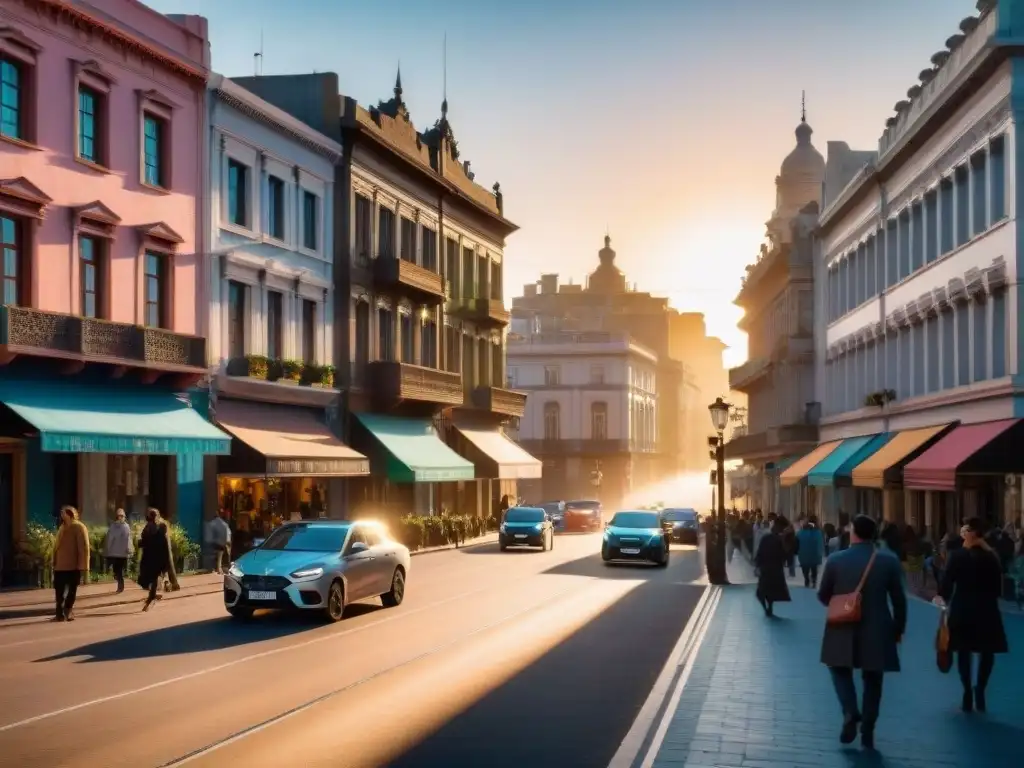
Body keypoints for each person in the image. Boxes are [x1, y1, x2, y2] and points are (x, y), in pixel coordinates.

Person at [817, 514, 905, 750]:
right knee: (874, 679)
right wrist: (898, 629)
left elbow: (823, 595)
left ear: (854, 532)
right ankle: (868, 729)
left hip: (842, 625)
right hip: (878, 626)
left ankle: (849, 710)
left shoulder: (836, 560)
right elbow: (899, 600)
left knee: (838, 668)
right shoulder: (888, 561)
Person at [933, 517, 1009, 713]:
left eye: (965, 530)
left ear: (972, 533)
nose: (963, 534)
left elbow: (946, 585)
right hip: (987, 609)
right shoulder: (992, 557)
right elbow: (998, 588)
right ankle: (980, 689)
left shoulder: (957, 556)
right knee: (987, 651)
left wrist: (942, 600)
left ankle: (966, 690)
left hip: (962, 607)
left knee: (963, 651)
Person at [52, 506, 90, 622]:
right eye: (61, 513)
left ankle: (68, 610)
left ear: (70, 514)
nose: (62, 515)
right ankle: (59, 613)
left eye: (64, 513)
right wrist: (54, 561)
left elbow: (83, 548)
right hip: (60, 566)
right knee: (59, 591)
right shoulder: (62, 527)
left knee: (72, 590)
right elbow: (56, 547)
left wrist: (83, 566)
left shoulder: (79, 527)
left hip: (73, 566)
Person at [754, 517, 791, 617]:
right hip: (775, 568)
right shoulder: (778, 539)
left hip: (767, 568)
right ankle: (769, 607)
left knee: (763, 591)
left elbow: (760, 553)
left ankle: (767, 607)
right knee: (770, 591)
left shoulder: (770, 538)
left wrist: (757, 565)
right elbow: (785, 554)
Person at [138, 508, 171, 612]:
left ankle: (151, 596)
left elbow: (143, 542)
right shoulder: (161, 527)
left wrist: (140, 543)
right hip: (157, 557)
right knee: (154, 577)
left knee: (150, 577)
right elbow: (165, 545)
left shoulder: (148, 528)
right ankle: (152, 595)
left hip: (149, 557)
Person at [103, 509, 134, 593]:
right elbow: (128, 540)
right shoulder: (117, 526)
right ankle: (120, 585)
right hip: (116, 553)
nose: (120, 518)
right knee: (117, 571)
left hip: (120, 553)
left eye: (122, 516)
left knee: (118, 571)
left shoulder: (120, 526)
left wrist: (129, 549)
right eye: (119, 516)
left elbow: (128, 539)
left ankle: (120, 586)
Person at [797, 516, 825, 588]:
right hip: (815, 555)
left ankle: (806, 579)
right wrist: (821, 553)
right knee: (814, 568)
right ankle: (814, 580)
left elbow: (797, 543)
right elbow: (821, 544)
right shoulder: (818, 533)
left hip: (803, 554)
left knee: (805, 568)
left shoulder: (800, 533)